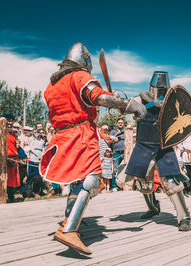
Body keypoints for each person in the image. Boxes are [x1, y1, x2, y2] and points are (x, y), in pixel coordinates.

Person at [39, 42, 146, 255]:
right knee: (92, 180)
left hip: (62, 136)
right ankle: (69, 229)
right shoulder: (79, 75)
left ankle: (68, 222)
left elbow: (84, 101)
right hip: (80, 135)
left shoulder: (52, 84)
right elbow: (98, 97)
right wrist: (126, 104)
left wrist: (108, 99)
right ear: (85, 60)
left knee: (77, 182)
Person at [124, 71, 191, 231]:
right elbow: (124, 107)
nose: (159, 90)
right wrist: (117, 102)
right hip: (143, 146)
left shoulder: (173, 102)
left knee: (171, 183)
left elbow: (182, 122)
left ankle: (184, 217)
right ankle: (153, 207)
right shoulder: (139, 100)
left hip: (164, 148)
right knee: (143, 182)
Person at [0, 114, 20, 202]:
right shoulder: (0, 131)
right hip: (2, 158)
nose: (10, 122)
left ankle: (11, 196)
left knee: (11, 180)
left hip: (12, 158)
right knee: (2, 178)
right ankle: (1, 197)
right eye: (8, 120)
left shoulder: (13, 133)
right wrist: (0, 120)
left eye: (12, 120)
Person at [110, 118, 126, 191]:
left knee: (124, 169)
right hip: (116, 153)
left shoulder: (126, 131)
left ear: (124, 124)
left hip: (125, 152)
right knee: (115, 170)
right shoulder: (113, 131)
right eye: (119, 123)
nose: (120, 124)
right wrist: (117, 134)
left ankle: (124, 185)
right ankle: (114, 186)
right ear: (116, 124)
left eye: (122, 123)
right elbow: (109, 141)